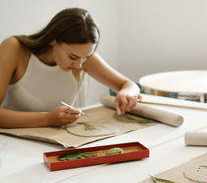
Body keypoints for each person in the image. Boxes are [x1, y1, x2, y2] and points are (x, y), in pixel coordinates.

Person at [0, 8, 141, 128]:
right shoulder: (14, 48)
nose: (79, 65)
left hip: (57, 141)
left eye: (86, 57)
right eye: (73, 57)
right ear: (53, 39)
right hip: (12, 143)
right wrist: (47, 119)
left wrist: (126, 94)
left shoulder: (81, 56)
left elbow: (129, 85)